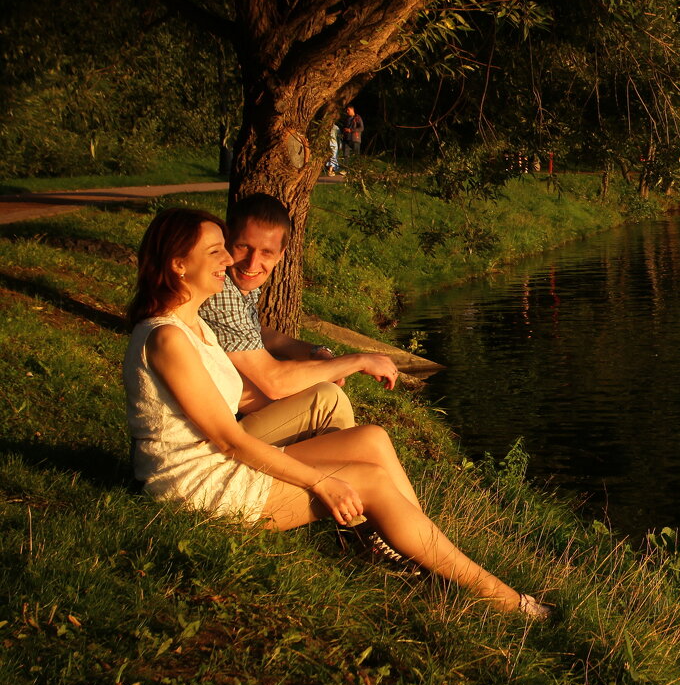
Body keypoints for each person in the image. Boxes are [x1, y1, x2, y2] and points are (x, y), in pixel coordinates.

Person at [123, 207, 550, 619]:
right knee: (370, 481)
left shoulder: (193, 324)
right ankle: (502, 599)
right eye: (215, 250)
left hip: (218, 462)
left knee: (371, 438)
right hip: (197, 485)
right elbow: (228, 440)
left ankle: (423, 551)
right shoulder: (168, 339)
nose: (230, 258)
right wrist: (321, 482)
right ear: (179, 265)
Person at [199, 194, 400, 410]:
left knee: (330, 401)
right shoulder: (219, 290)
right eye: (244, 247)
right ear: (226, 243)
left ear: (280, 255)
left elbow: (257, 334)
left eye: (266, 252)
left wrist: (318, 354)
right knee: (327, 401)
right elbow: (274, 382)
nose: (253, 262)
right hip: (214, 422)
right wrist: (359, 361)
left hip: (227, 410)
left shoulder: (240, 287)